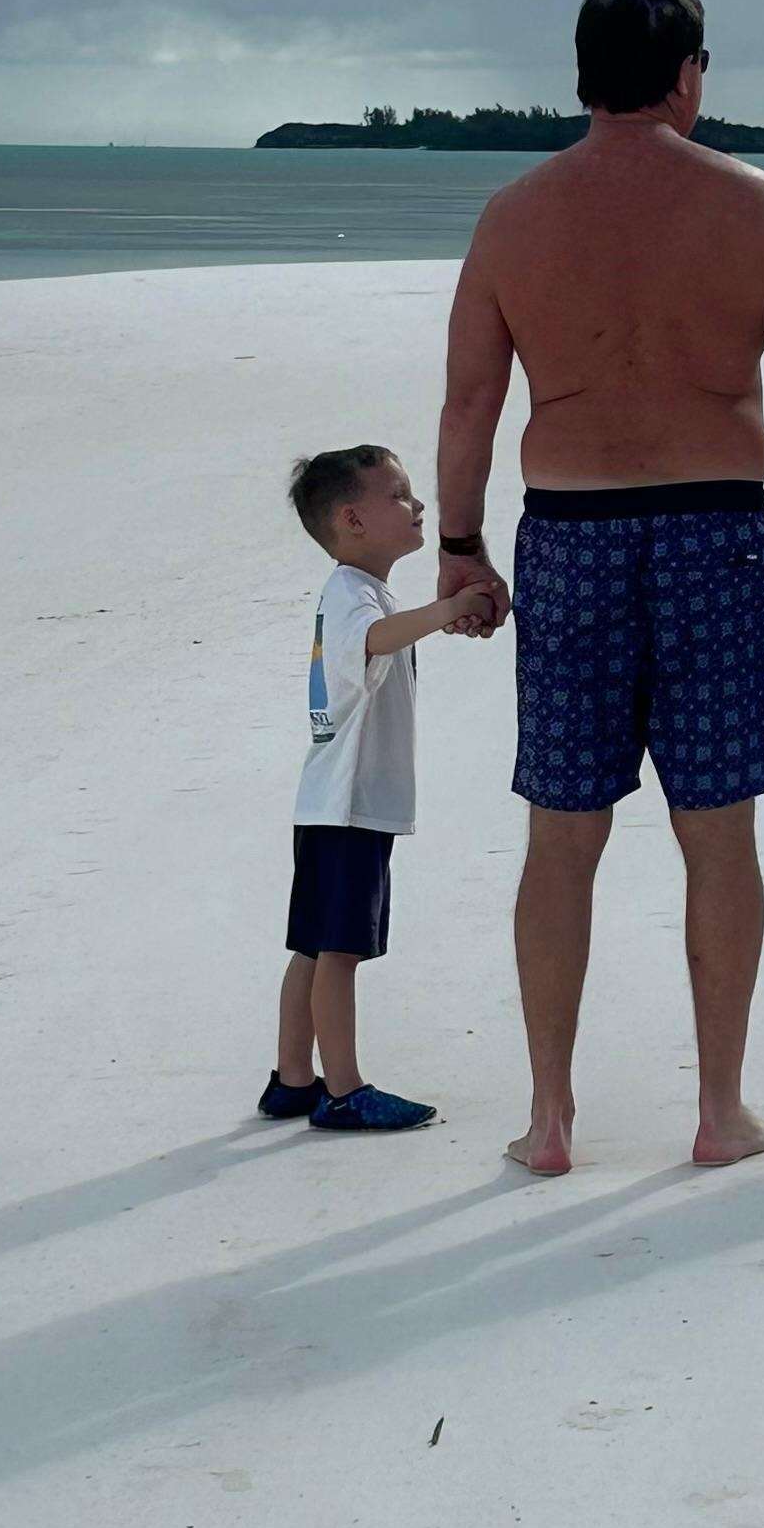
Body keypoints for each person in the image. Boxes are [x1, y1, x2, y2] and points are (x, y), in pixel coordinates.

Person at [434, 0, 764, 1177]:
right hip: (713, 535)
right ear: (690, 73)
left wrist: (461, 547)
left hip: (572, 537)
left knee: (562, 834)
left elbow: (472, 402)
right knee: (718, 834)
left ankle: (548, 1120)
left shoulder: (513, 215)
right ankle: (720, 1110)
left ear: (581, 74)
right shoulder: (752, 204)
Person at [261, 443, 489, 1135]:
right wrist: (449, 608)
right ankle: (343, 1089)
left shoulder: (360, 593)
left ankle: (293, 1080)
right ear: (353, 521)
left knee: (312, 944)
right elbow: (377, 640)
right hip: (348, 807)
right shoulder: (354, 597)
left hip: (330, 802)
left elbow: (382, 635)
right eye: (400, 495)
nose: (418, 506)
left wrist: (437, 614)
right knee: (339, 951)